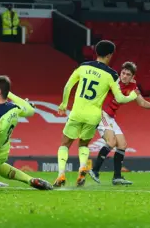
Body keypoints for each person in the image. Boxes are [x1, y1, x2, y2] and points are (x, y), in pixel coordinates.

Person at [54, 40, 138, 188]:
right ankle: (82, 169)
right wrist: (133, 96)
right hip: (93, 116)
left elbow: (68, 86)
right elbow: (119, 98)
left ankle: (61, 173)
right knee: (84, 144)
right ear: (110, 55)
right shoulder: (112, 75)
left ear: (96, 52)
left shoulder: (83, 66)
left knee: (65, 144)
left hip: (77, 112)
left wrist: (63, 104)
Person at [89, 61, 150, 185]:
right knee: (111, 142)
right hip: (101, 113)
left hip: (111, 117)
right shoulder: (113, 81)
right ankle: (95, 170)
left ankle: (117, 177)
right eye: (123, 73)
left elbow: (142, 102)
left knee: (122, 144)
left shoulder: (133, 87)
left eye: (127, 74)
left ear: (132, 77)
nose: (124, 76)